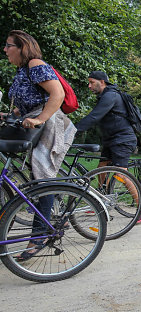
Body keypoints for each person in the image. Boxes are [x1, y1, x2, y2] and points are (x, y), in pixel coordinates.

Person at [3, 30, 76, 260]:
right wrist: (6, 115)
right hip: (35, 123)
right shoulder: (22, 71)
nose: (5, 50)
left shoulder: (35, 64)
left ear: (22, 47)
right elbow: (25, 105)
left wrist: (40, 119)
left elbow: (57, 93)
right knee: (36, 177)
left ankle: (39, 236)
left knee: (43, 179)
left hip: (51, 124)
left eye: (8, 46)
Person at [75, 71, 141, 223]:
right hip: (111, 140)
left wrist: (72, 130)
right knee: (101, 169)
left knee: (121, 174)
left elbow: (95, 116)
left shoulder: (111, 96)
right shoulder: (105, 96)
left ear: (102, 82)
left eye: (91, 82)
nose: (89, 86)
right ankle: (101, 201)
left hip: (122, 140)